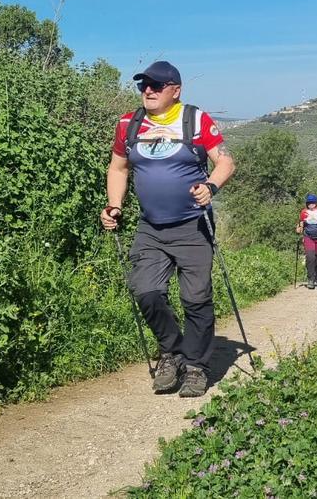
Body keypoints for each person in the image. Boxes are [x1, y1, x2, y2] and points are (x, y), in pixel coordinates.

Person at [100, 60, 235, 398]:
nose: (148, 90)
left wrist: (211, 186)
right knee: (146, 292)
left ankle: (195, 366)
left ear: (175, 91)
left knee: (196, 298)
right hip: (150, 227)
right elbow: (118, 167)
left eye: (157, 85)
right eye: (144, 84)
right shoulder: (128, 124)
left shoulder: (195, 120)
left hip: (193, 225)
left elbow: (225, 161)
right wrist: (114, 205)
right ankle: (171, 352)